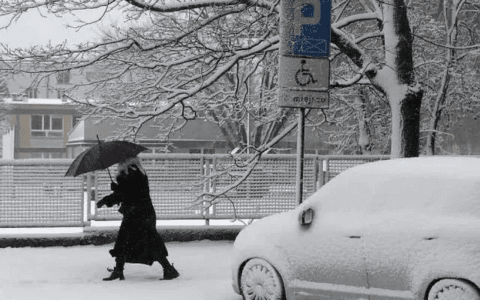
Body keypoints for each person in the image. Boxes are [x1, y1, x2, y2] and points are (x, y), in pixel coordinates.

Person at [96, 156, 180, 281]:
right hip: (142, 213)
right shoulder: (136, 171)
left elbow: (126, 194)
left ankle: (168, 269)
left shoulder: (130, 173)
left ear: (125, 161)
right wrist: (117, 189)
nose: (118, 162)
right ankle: (167, 269)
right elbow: (130, 192)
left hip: (137, 214)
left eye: (120, 160)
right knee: (136, 241)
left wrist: (107, 199)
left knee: (133, 241)